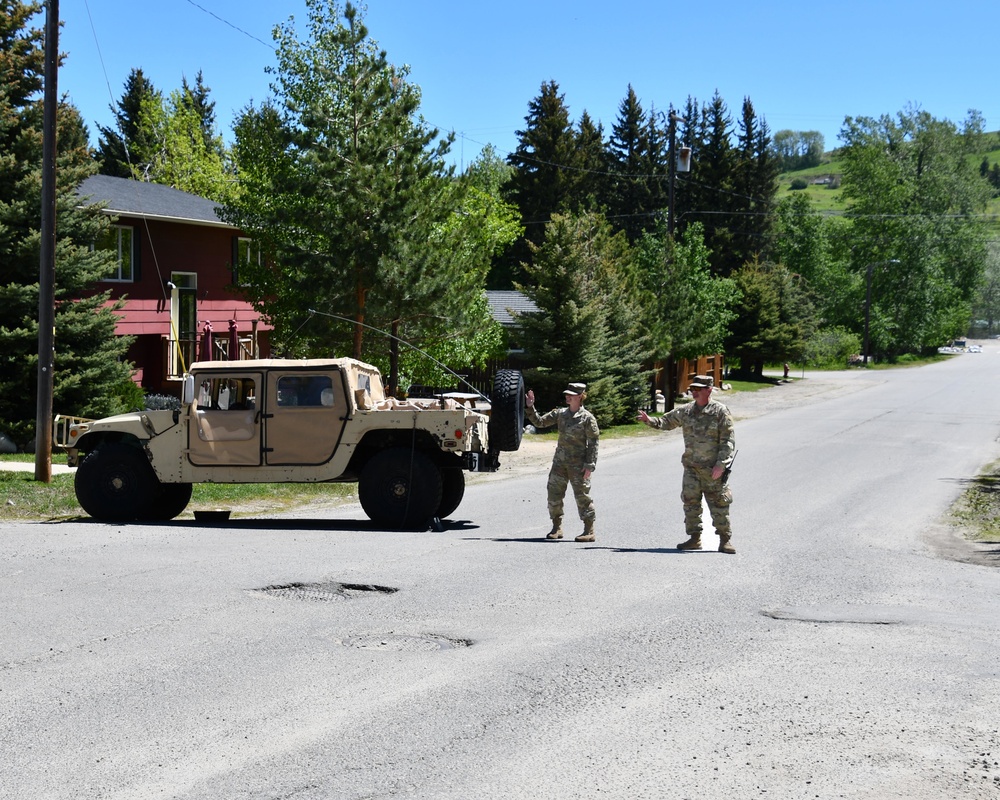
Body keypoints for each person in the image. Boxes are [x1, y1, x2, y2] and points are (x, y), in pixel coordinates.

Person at [637, 375, 737, 554]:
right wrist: (648, 420)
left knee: (719, 504)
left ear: (709, 390)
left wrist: (721, 465)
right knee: (690, 504)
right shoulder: (686, 411)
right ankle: (694, 538)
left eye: (698, 389)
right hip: (691, 468)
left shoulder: (720, 411)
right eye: (692, 389)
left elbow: (728, 440)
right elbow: (665, 422)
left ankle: (725, 539)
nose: (694, 392)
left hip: (712, 469)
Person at [525, 382, 600, 542]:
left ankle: (589, 530)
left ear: (580, 397)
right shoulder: (560, 414)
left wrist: (589, 465)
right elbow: (539, 422)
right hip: (559, 463)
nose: (567, 397)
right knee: (554, 494)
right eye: (566, 394)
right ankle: (556, 527)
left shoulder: (587, 418)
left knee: (582, 497)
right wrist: (530, 407)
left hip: (578, 465)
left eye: (571, 395)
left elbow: (593, 442)